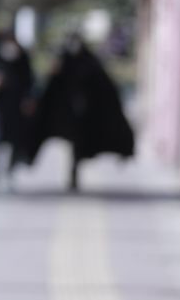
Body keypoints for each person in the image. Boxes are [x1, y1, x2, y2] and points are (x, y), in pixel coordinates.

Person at [26, 31, 134, 192]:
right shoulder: (63, 62)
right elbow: (50, 85)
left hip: (84, 116)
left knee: (77, 147)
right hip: (66, 115)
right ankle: (72, 176)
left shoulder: (88, 62)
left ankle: (73, 176)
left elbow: (103, 88)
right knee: (72, 146)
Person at [0, 33, 35, 191]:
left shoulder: (22, 59)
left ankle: (9, 174)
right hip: (0, 108)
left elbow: (29, 82)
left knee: (14, 142)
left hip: (17, 108)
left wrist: (28, 100)